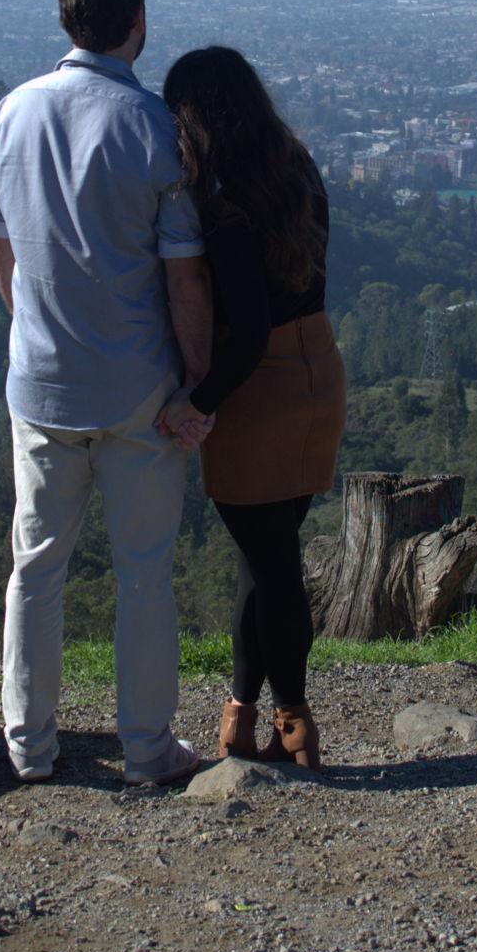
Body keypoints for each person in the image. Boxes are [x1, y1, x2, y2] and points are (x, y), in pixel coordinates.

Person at [0, 0, 214, 785]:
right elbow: (185, 278)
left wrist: (33, 327)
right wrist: (196, 385)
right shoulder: (154, 129)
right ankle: (147, 747)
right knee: (143, 573)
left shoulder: (8, 115)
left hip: (41, 382)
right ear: (137, 23)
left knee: (36, 567)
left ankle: (28, 745)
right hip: (141, 388)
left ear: (66, 20)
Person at [157, 46, 347, 770]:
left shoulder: (225, 201)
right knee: (264, 559)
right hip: (317, 370)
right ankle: (242, 717)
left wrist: (195, 401)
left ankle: (291, 718)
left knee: (272, 566)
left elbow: (248, 328)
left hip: (257, 389)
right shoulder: (295, 169)